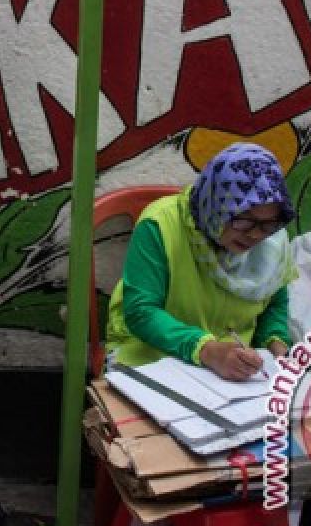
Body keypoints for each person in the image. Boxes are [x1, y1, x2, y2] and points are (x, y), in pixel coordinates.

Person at [105, 142, 297, 381]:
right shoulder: (160, 225)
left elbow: (274, 304)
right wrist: (207, 350)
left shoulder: (274, 240)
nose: (256, 235)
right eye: (244, 220)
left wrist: (277, 346)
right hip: (152, 355)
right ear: (217, 206)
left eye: (268, 224)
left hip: (234, 369)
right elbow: (141, 312)